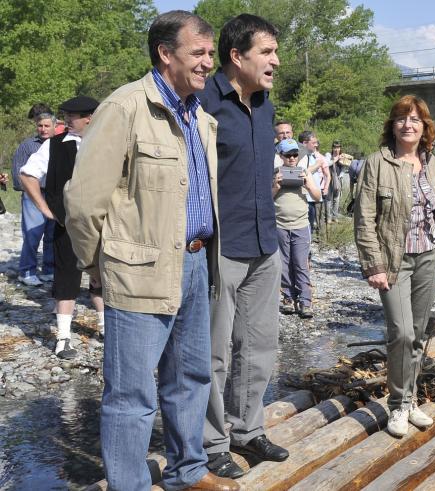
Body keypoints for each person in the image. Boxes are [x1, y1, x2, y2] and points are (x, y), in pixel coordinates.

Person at [63, 10, 238, 491]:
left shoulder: (200, 116)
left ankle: (188, 470)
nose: (208, 64)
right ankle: (129, 485)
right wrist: (96, 267)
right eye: (198, 53)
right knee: (131, 393)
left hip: (196, 262)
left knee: (191, 378)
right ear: (166, 54)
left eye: (210, 54)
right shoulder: (124, 107)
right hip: (138, 269)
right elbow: (82, 200)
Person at [353, 95, 435, 437]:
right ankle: (396, 406)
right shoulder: (377, 163)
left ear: (425, 128)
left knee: (420, 335)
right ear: (392, 125)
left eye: (415, 120)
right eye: (401, 119)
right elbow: (364, 219)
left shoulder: (432, 163)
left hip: (428, 256)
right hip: (394, 261)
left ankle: (409, 402)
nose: (408, 125)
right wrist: (373, 265)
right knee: (402, 333)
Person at [198, 14, 289, 478]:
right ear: (237, 56)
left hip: (264, 242)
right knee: (214, 353)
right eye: (267, 52)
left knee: (259, 344)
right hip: (219, 246)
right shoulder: (202, 104)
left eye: (275, 52)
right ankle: (212, 443)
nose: (275, 60)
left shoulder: (267, 106)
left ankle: (246, 430)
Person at [19, 96, 104, 359]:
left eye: (72, 116)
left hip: (103, 223)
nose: (66, 119)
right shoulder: (53, 146)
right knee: (66, 278)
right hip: (66, 224)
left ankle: (105, 327)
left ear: (89, 117)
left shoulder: (106, 143)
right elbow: (26, 174)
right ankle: (64, 338)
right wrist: (47, 210)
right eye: (65, 114)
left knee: (103, 276)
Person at [273, 138, 321, 318]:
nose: (292, 158)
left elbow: (317, 197)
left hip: (301, 225)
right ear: (281, 156)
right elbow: (267, 200)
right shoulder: (275, 173)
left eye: (295, 154)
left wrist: (308, 184)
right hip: (280, 225)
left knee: (301, 263)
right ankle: (288, 298)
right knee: (284, 264)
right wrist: (275, 186)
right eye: (288, 155)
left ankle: (305, 301)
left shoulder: (305, 173)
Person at [12, 105, 56, 286]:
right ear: (36, 126)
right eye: (40, 126)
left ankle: (49, 270)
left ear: (54, 126)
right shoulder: (27, 146)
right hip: (33, 196)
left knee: (52, 235)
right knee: (32, 234)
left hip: (54, 195)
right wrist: (28, 192)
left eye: (47, 126)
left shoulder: (61, 144)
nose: (43, 129)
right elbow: (17, 172)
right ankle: (27, 271)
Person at [298, 131, 329, 232]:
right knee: (307, 227)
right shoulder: (299, 155)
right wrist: (317, 164)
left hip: (314, 196)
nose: (316, 145)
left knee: (313, 224)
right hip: (306, 197)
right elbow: (302, 172)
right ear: (304, 143)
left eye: (316, 142)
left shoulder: (312, 155)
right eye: (313, 142)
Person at [326, 140, 353, 219]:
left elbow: (344, 169)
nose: (336, 149)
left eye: (338, 147)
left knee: (336, 199)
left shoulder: (342, 156)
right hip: (329, 179)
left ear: (340, 148)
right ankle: (328, 217)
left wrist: (345, 161)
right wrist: (336, 158)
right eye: (335, 147)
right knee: (328, 199)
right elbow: (327, 164)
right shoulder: (328, 155)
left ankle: (335, 216)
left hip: (337, 179)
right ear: (332, 148)